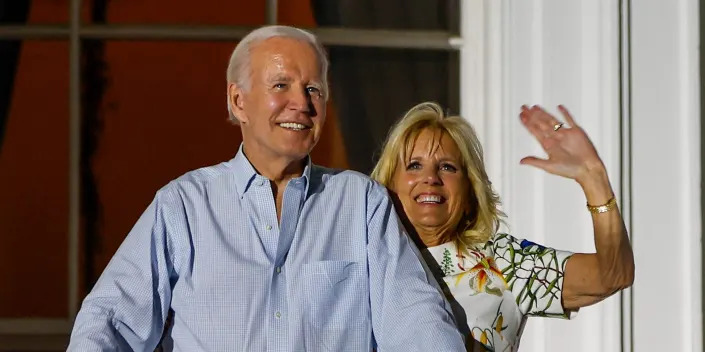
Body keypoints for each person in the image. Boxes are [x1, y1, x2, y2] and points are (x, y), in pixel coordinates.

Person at [68, 26, 465, 351]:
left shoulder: (361, 203)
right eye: (281, 85)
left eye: (314, 90)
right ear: (238, 101)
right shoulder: (184, 206)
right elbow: (108, 322)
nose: (302, 103)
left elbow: (417, 322)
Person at [370, 102, 634, 351]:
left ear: (470, 192)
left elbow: (612, 275)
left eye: (447, 167)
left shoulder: (506, 262)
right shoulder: (365, 264)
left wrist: (593, 177)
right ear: (388, 184)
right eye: (414, 165)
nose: (430, 178)